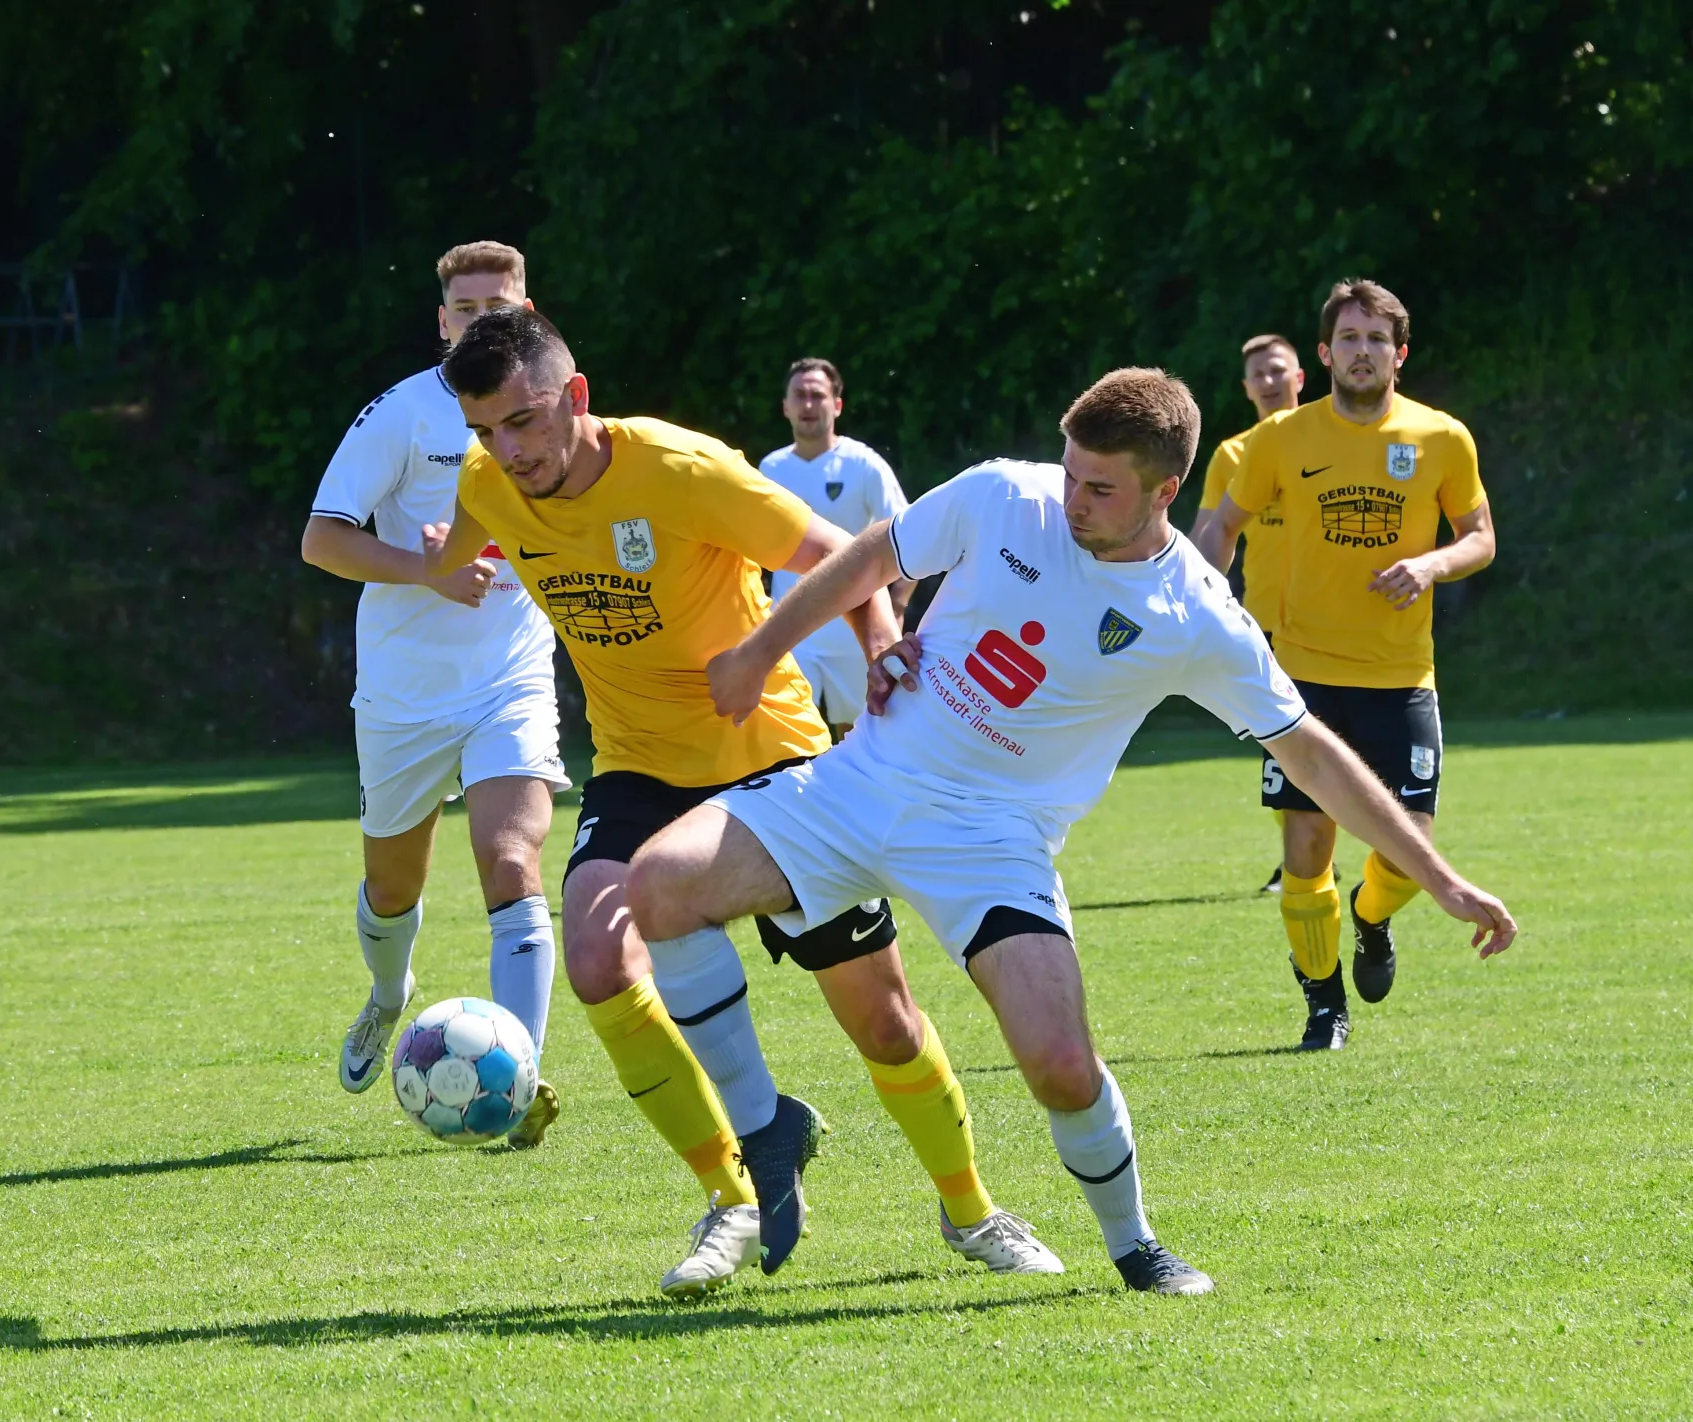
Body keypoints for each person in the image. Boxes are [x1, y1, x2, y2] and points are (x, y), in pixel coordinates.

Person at [626, 367, 1517, 1295]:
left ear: (1165, 491)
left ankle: (1135, 1246)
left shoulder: (1195, 615)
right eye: (1070, 472)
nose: (1073, 499)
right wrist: (763, 649)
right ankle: (765, 1125)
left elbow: (1314, 757)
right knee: (658, 887)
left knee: (1059, 1063)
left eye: (1101, 488)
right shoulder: (1002, 493)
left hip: (993, 840)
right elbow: (871, 558)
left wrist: (1443, 880)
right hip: (862, 783)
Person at [425, 305, 1059, 1298]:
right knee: (597, 953)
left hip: (772, 759)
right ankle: (734, 1189)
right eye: (484, 432)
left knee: (882, 1022)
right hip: (637, 764)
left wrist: (882, 649)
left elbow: (848, 560)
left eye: (524, 421)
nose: (507, 451)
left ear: (575, 398)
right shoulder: (486, 484)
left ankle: (972, 1211)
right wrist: (441, 558)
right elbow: (464, 539)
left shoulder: (682, 472)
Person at [300, 241, 564, 1146]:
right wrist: (427, 566)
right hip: (405, 694)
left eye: (501, 302)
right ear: (441, 321)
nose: (483, 317)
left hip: (511, 677)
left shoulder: (556, 406)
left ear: (528, 310)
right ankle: (388, 995)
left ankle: (519, 1080)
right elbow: (322, 540)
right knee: (391, 886)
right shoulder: (403, 415)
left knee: (512, 859)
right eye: (465, 306)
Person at [1195, 280, 1498, 1050]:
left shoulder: (1441, 438)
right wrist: (1203, 603)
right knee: (1305, 848)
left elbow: (1480, 536)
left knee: (1411, 843)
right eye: (1349, 338)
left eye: (1376, 340)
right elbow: (1220, 527)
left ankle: (1369, 914)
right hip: (1301, 677)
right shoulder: (1278, 440)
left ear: (1399, 354)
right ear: (1324, 354)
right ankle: (1324, 1009)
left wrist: (1431, 567)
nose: (1362, 352)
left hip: (1401, 675)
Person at [1189, 334, 1308, 892]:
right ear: (1245, 388)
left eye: (1277, 370)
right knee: (1279, 749)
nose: (1268, 381)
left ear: (1301, 377)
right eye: (1257, 373)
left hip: (1333, 622)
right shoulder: (1233, 455)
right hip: (1264, 623)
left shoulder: (1328, 443)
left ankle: (1312, 858)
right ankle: (1303, 861)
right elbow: (1206, 536)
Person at [758, 358, 913, 738]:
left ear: (837, 405)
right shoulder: (770, 469)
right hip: (791, 627)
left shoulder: (863, 465)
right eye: (800, 396)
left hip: (854, 630)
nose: (808, 405)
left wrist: (896, 607)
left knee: (857, 734)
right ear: (786, 407)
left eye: (818, 395)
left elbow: (908, 536)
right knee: (789, 739)